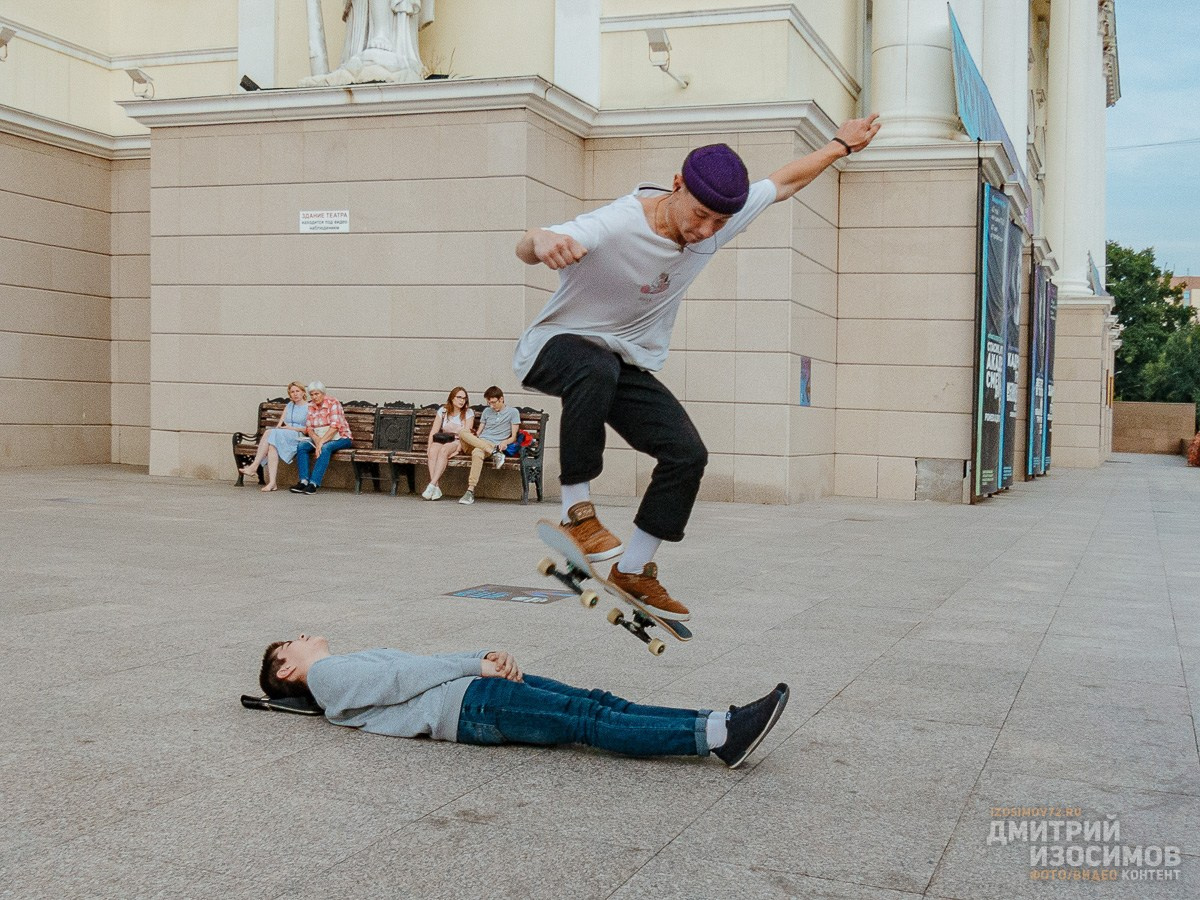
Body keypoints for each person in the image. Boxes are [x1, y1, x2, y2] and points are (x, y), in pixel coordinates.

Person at [513, 116, 882, 621]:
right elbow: (529, 244)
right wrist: (540, 241)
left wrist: (840, 145)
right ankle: (576, 513)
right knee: (594, 366)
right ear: (677, 184)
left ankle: (635, 570)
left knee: (687, 454)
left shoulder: (719, 216)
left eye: (719, 223)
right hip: (554, 349)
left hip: (620, 362)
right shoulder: (618, 222)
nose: (705, 232)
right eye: (701, 216)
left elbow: (785, 181)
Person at [259, 634, 790, 770]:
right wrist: (476, 664)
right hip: (470, 703)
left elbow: (409, 667)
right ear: (287, 667)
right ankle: (718, 738)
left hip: (472, 693)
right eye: (292, 642)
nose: (304, 636)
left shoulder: (334, 679)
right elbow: (403, 676)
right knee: (589, 717)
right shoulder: (326, 674)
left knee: (594, 704)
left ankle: (719, 723)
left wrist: (478, 654)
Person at [454, 385, 521, 506]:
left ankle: (470, 491)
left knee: (477, 452)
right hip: (482, 443)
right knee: (463, 432)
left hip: (492, 444)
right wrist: (474, 436)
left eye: (493, 402)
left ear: (501, 399)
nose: (491, 406)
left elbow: (513, 437)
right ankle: (494, 453)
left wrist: (504, 442)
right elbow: (479, 432)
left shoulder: (513, 412)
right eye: (489, 403)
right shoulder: (486, 411)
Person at [239, 381, 311, 492]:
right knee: (272, 446)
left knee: (269, 433)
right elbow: (279, 424)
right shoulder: (289, 406)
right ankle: (272, 483)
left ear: (303, 392)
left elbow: (308, 430)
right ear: (289, 394)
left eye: (297, 391)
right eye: (292, 392)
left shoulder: (309, 407)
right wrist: (280, 429)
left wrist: (291, 428)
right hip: (283, 434)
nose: (295, 394)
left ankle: (254, 465)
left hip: (298, 436)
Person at [290, 382, 353, 495]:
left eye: (317, 394)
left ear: (323, 393)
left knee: (326, 447)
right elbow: (309, 428)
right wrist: (317, 441)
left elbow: (335, 427)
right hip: (320, 438)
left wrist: (321, 443)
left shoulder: (333, 403)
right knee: (302, 446)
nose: (314, 397)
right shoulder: (310, 406)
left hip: (341, 437)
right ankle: (304, 481)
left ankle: (314, 483)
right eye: (312, 394)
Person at [422, 387, 475, 501]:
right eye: (459, 397)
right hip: (443, 439)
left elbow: (466, 434)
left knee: (444, 451)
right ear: (452, 398)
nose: (462, 401)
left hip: (457, 441)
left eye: (464, 398)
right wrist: (429, 445)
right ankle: (436, 487)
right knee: (433, 451)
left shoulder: (468, 413)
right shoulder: (443, 410)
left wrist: (457, 450)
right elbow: (434, 430)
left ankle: (431, 484)